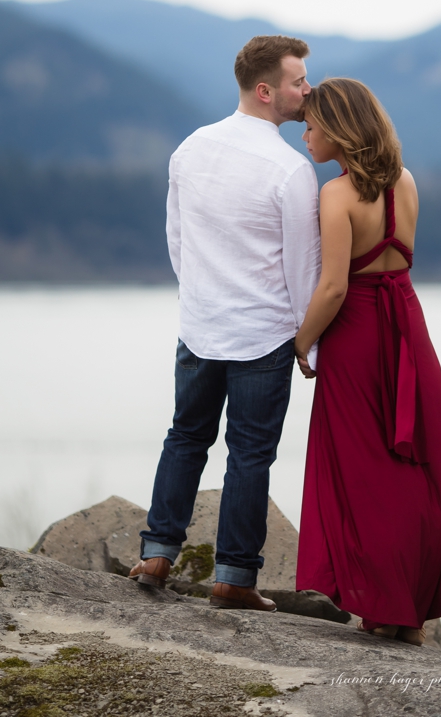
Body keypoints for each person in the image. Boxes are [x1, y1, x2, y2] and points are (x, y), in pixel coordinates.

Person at [132, 36, 319, 611]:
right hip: (263, 333)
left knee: (185, 435)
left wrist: (200, 297)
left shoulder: (191, 148)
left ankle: (158, 553)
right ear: (267, 92)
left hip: (200, 324)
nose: (307, 89)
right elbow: (302, 268)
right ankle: (234, 578)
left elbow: (176, 240)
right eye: (297, 81)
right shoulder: (291, 169)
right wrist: (308, 339)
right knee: (250, 454)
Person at [291, 78, 441, 645]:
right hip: (406, 324)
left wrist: (301, 343)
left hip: (358, 334)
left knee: (362, 469)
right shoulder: (406, 180)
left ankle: (383, 602)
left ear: (339, 129)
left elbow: (334, 289)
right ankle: (407, 611)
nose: (306, 133)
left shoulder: (336, 194)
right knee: (420, 455)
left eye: (313, 124)